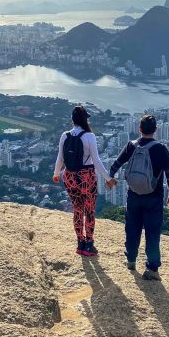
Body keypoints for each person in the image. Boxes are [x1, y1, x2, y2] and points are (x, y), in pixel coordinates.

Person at [107, 114, 169, 281]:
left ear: (139, 129)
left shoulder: (132, 145)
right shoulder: (161, 149)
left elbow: (116, 163)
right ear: (155, 130)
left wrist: (110, 178)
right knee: (152, 233)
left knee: (132, 228)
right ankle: (152, 269)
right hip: (154, 198)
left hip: (133, 195)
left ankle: (131, 260)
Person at [53, 105, 111, 257]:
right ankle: (89, 245)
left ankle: (80, 243)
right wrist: (108, 178)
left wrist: (56, 173)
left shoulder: (65, 135)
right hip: (86, 176)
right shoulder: (89, 136)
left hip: (70, 176)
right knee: (89, 210)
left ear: (72, 120)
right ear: (85, 120)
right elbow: (96, 161)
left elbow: (60, 157)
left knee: (77, 209)